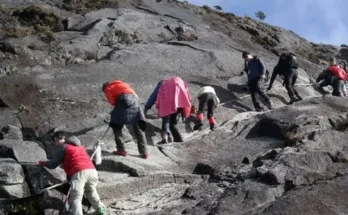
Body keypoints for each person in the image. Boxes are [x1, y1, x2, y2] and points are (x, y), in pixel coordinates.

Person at [37, 131, 106, 215]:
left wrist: (43, 163)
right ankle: (100, 209)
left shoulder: (63, 147)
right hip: (92, 170)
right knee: (91, 191)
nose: (56, 144)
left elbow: (53, 164)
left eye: (56, 140)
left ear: (63, 138)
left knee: (76, 197)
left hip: (79, 172)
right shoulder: (79, 146)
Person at [102, 80, 148, 159]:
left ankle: (121, 150)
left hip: (122, 101)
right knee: (138, 128)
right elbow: (136, 96)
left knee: (116, 126)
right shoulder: (123, 84)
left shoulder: (107, 88)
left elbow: (112, 102)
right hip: (135, 103)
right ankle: (144, 152)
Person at [155, 76, 191, 144]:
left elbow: (155, 96)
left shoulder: (164, 84)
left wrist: (147, 106)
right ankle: (178, 138)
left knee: (166, 121)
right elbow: (186, 94)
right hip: (178, 105)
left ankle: (165, 139)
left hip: (166, 104)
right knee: (172, 123)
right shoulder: (180, 83)